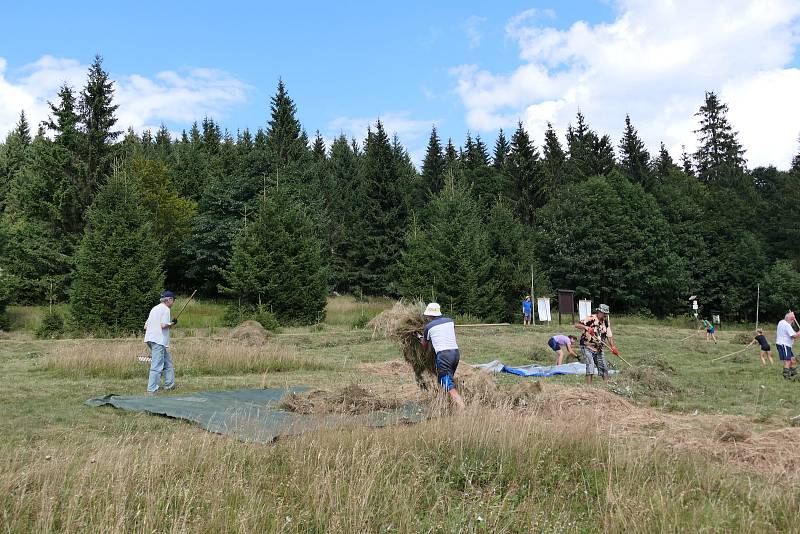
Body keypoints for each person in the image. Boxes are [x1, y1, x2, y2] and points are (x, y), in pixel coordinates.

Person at [419, 302, 466, 409]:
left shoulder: (428, 327)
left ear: (430, 314)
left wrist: (420, 337)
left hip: (444, 356)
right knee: (447, 379)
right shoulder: (450, 321)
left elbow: (424, 344)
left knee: (446, 383)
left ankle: (463, 408)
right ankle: (446, 404)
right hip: (455, 354)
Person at [144, 290, 178, 394]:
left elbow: (145, 326)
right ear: (169, 300)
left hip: (150, 339)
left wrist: (169, 323)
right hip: (158, 340)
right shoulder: (166, 309)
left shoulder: (154, 308)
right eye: (173, 300)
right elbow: (163, 325)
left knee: (168, 363)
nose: (174, 302)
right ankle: (152, 389)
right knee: (157, 365)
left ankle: (170, 385)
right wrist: (172, 323)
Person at [575, 304, 617, 384]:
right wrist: (586, 327)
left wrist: (613, 347)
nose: (605, 315)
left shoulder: (605, 322)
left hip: (599, 348)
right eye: (604, 313)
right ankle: (589, 388)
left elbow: (609, 335)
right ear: (599, 312)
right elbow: (577, 325)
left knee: (604, 367)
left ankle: (607, 385)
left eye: (606, 314)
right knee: (590, 365)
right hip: (587, 346)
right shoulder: (591, 318)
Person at [776, 312, 800, 380]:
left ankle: (792, 373)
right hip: (784, 344)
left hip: (785, 344)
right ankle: (786, 375)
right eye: (791, 319)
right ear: (787, 318)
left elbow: (793, 335)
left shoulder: (781, 322)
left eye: (793, 319)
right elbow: (794, 336)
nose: (793, 321)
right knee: (788, 360)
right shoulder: (786, 325)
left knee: (792, 360)